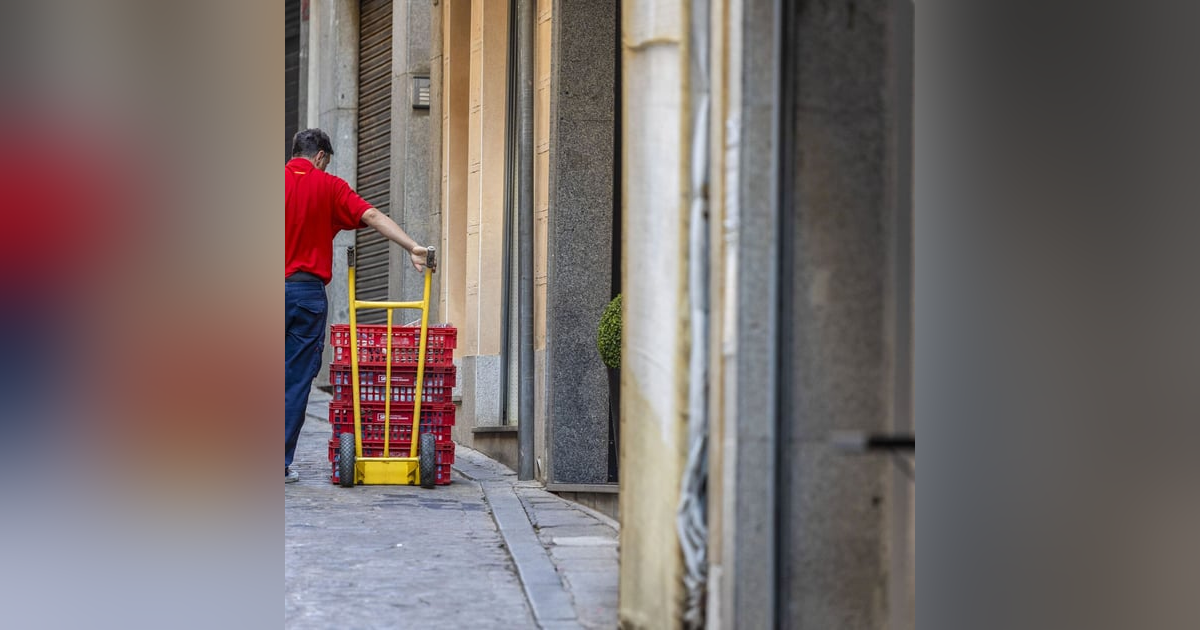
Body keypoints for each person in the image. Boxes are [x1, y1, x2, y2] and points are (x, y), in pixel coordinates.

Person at [285, 128, 434, 483]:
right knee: (294, 381)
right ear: (321, 156)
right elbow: (372, 217)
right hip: (306, 294)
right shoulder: (330, 186)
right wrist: (413, 247)